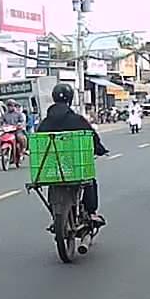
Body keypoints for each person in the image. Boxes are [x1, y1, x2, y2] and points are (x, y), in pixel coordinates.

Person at [35, 83, 109, 225]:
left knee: (53, 182)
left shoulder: (44, 123)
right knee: (89, 180)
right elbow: (92, 136)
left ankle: (56, 216)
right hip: (74, 165)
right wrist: (100, 149)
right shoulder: (77, 120)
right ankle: (91, 212)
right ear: (70, 98)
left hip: (51, 167)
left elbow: (37, 142)